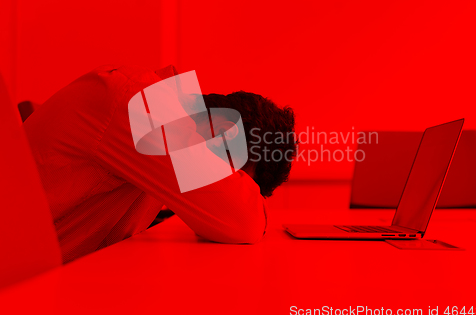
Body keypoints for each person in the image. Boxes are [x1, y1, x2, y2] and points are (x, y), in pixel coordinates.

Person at [23, 64, 297, 263]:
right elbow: (242, 220)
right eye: (231, 175)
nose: (222, 180)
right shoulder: (140, 104)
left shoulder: (158, 124)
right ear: (224, 130)